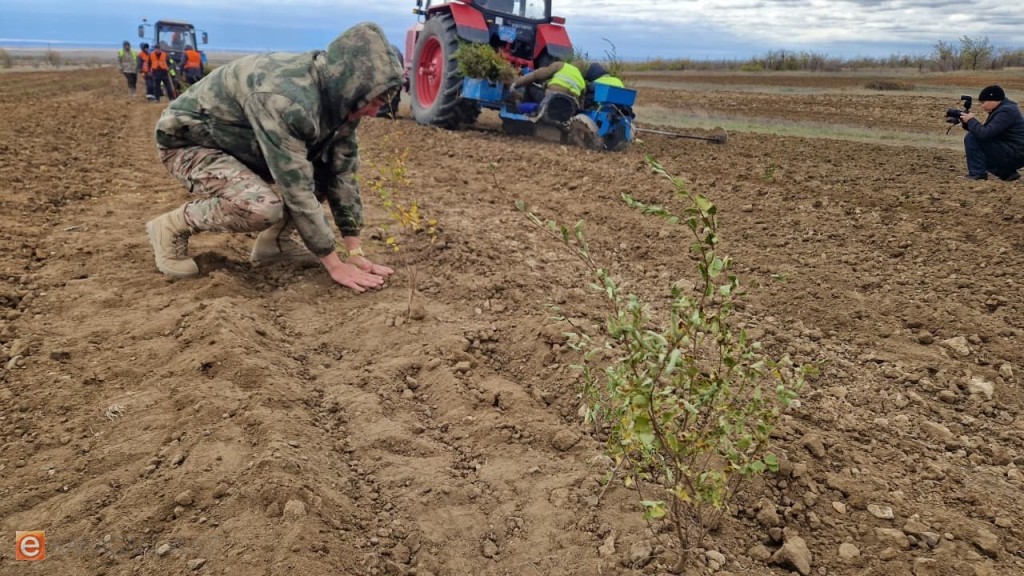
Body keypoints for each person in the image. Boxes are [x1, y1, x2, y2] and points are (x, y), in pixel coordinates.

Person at [145, 22, 402, 293]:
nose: (374, 113)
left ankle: (274, 243)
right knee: (261, 207)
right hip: (190, 142)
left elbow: (342, 173)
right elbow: (295, 186)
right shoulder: (287, 99)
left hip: (243, 143)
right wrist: (334, 264)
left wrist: (354, 251)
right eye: (374, 103)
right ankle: (172, 225)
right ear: (354, 86)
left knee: (324, 173)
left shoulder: (341, 102)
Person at [959, 85, 1024, 181]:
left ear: (993, 99)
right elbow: (985, 132)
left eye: (983, 102)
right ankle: (1007, 173)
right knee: (976, 143)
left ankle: (977, 174)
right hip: (1014, 152)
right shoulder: (1004, 109)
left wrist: (971, 120)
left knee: (972, 138)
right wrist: (967, 123)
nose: (982, 106)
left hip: (1015, 154)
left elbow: (984, 134)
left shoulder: (1006, 111)